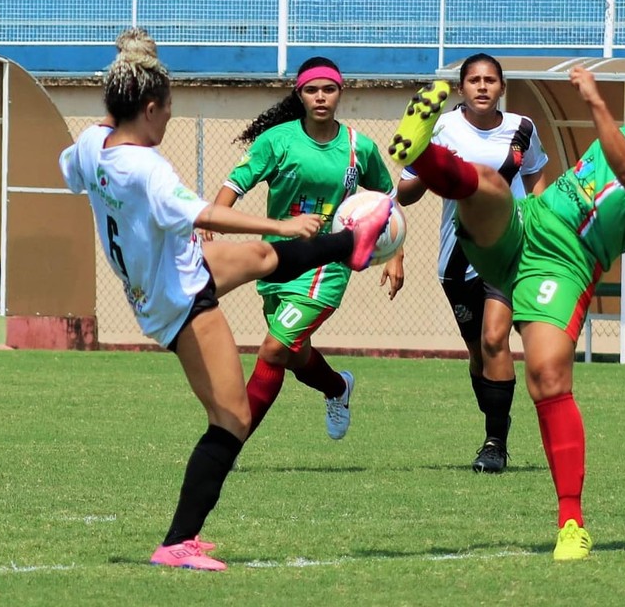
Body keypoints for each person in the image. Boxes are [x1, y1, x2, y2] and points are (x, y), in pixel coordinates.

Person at [58, 32, 392, 572]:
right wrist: (280, 222)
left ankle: (350, 243)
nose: (169, 118)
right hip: (177, 297)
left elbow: (68, 168)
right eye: (167, 109)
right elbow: (205, 215)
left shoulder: (92, 143)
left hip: (173, 268)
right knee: (232, 418)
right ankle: (178, 542)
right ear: (148, 109)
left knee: (262, 257)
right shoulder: (146, 169)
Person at [388, 66, 625, 560]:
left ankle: (571, 524)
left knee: (548, 375)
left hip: (565, 262)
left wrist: (597, 104)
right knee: (489, 184)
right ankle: (420, 152)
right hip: (527, 223)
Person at [214, 56, 403, 441]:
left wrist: (395, 254)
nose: (321, 97)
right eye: (312, 90)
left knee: (271, 350)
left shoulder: (357, 147)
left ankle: (228, 442)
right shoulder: (277, 141)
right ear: (299, 94)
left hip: (328, 267)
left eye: (328, 89)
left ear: (340, 93)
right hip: (277, 264)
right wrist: (211, 222)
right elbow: (234, 185)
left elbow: (387, 200)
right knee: (295, 356)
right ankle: (337, 388)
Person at [396, 54, 550, 474]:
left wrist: (536, 215)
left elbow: (536, 173)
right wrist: (428, 162)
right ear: (461, 88)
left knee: (496, 338)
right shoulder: (443, 127)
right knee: (479, 353)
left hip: (510, 249)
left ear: (502, 87)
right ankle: (495, 423)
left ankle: (495, 443)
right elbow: (405, 193)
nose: (482, 86)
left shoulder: (522, 128)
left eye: (490, 80)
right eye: (474, 80)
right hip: (458, 252)